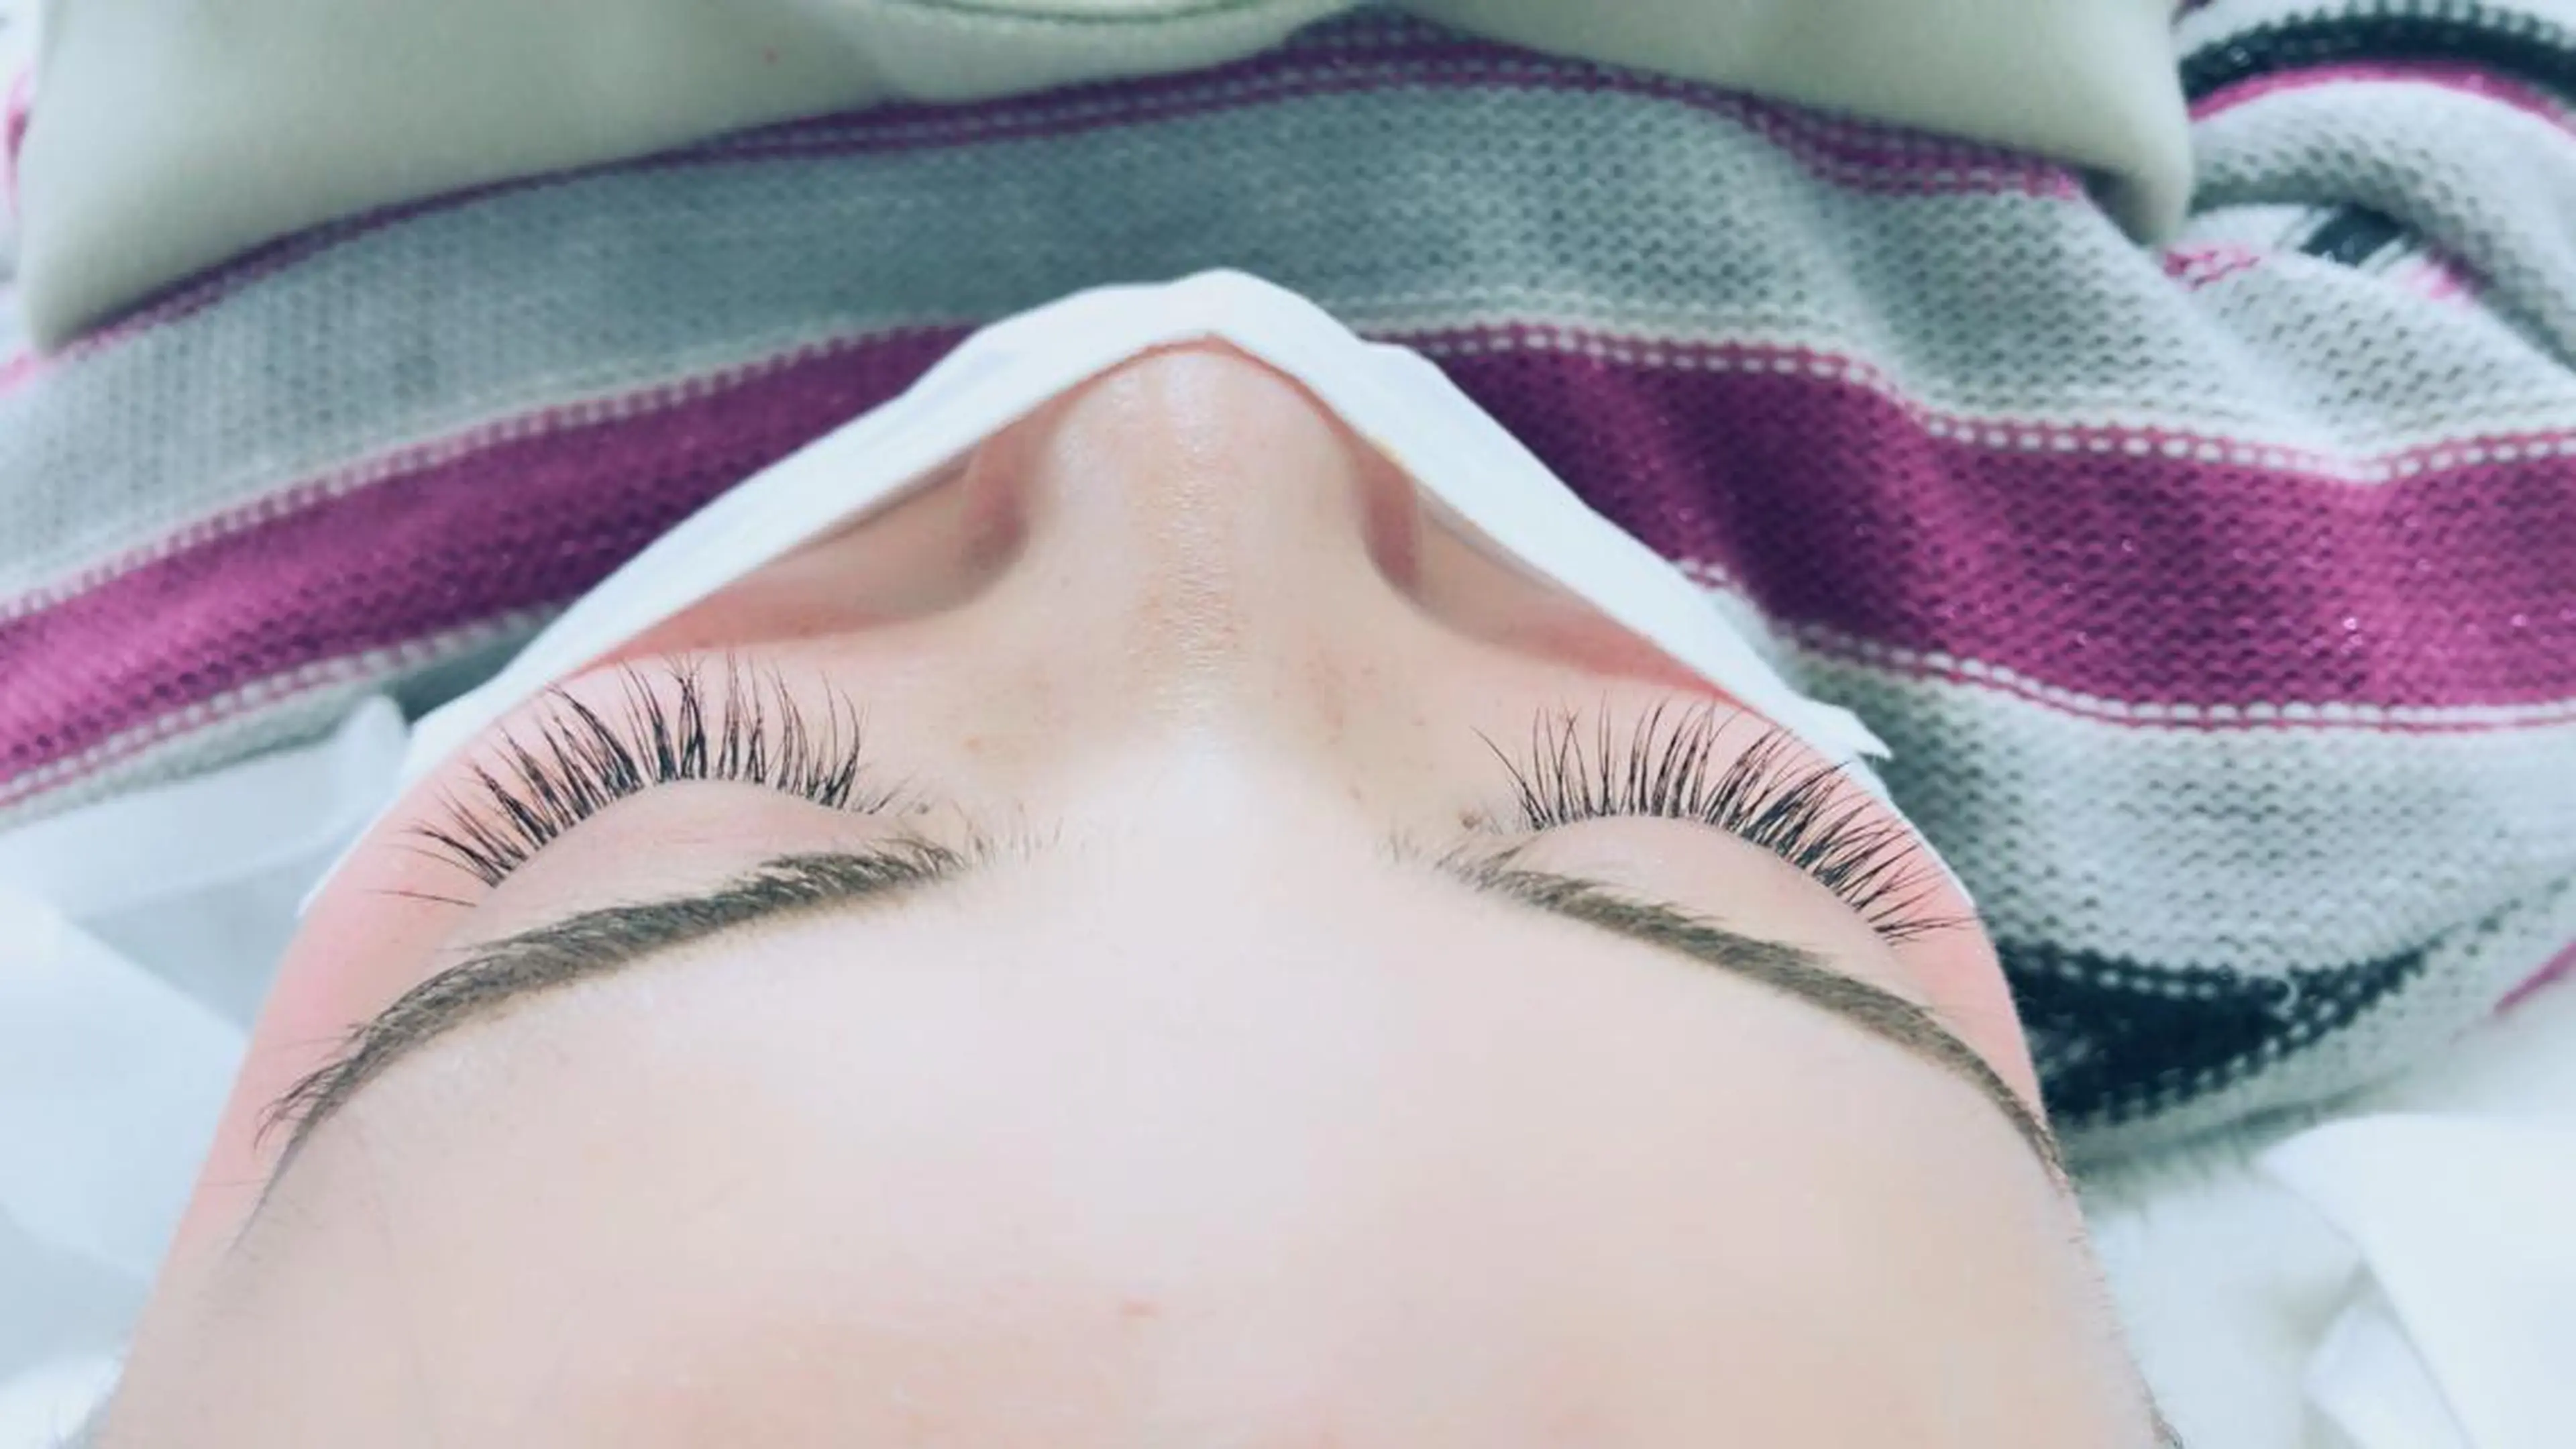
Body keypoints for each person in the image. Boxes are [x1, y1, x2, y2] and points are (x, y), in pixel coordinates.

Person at [6, 1, 2569, 1443]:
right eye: (1668, 828)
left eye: (689, 801)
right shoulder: (2227, 719)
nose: (1201, 426)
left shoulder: (125, 643)